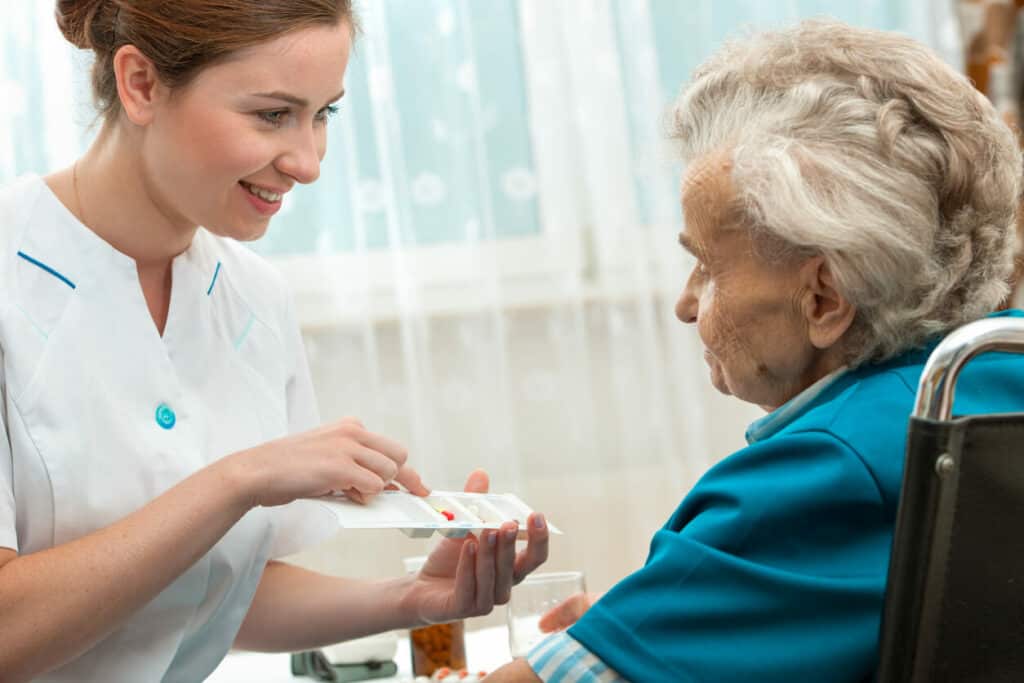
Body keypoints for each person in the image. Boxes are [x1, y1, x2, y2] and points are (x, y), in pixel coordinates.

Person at [0, 2, 548, 681]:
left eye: (324, 114)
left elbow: (211, 590)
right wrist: (240, 479)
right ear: (141, 83)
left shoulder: (253, 298)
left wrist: (416, 600)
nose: (309, 162)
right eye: (272, 115)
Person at [486, 19, 1024, 683]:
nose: (687, 304)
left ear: (824, 298)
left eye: (707, 267)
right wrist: (662, 631)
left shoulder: (822, 473)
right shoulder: (999, 377)